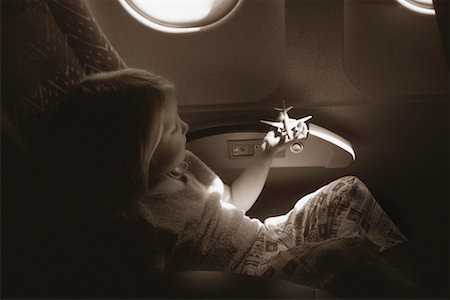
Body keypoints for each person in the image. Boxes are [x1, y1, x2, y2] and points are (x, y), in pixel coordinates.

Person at [45, 68, 416, 298]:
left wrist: (266, 154)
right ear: (140, 153)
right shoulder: (141, 222)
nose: (186, 127)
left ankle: (389, 267)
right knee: (340, 253)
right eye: (173, 128)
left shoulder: (185, 165)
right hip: (248, 277)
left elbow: (235, 201)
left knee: (346, 191)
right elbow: (157, 290)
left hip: (266, 237)